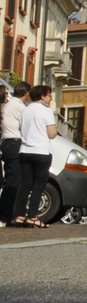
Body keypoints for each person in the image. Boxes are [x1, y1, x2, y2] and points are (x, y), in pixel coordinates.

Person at [12, 86, 57, 227]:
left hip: (24, 151)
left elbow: (21, 128)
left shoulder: (25, 110)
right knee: (38, 186)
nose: (50, 98)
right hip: (41, 152)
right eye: (49, 95)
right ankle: (32, 216)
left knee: (25, 185)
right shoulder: (46, 111)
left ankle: (19, 215)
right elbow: (52, 134)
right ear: (42, 96)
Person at [1, 83, 26, 224]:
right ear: (26, 93)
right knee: (14, 181)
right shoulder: (19, 107)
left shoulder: (9, 106)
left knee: (11, 179)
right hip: (15, 143)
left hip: (8, 144)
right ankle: (7, 215)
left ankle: (6, 214)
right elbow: (27, 125)